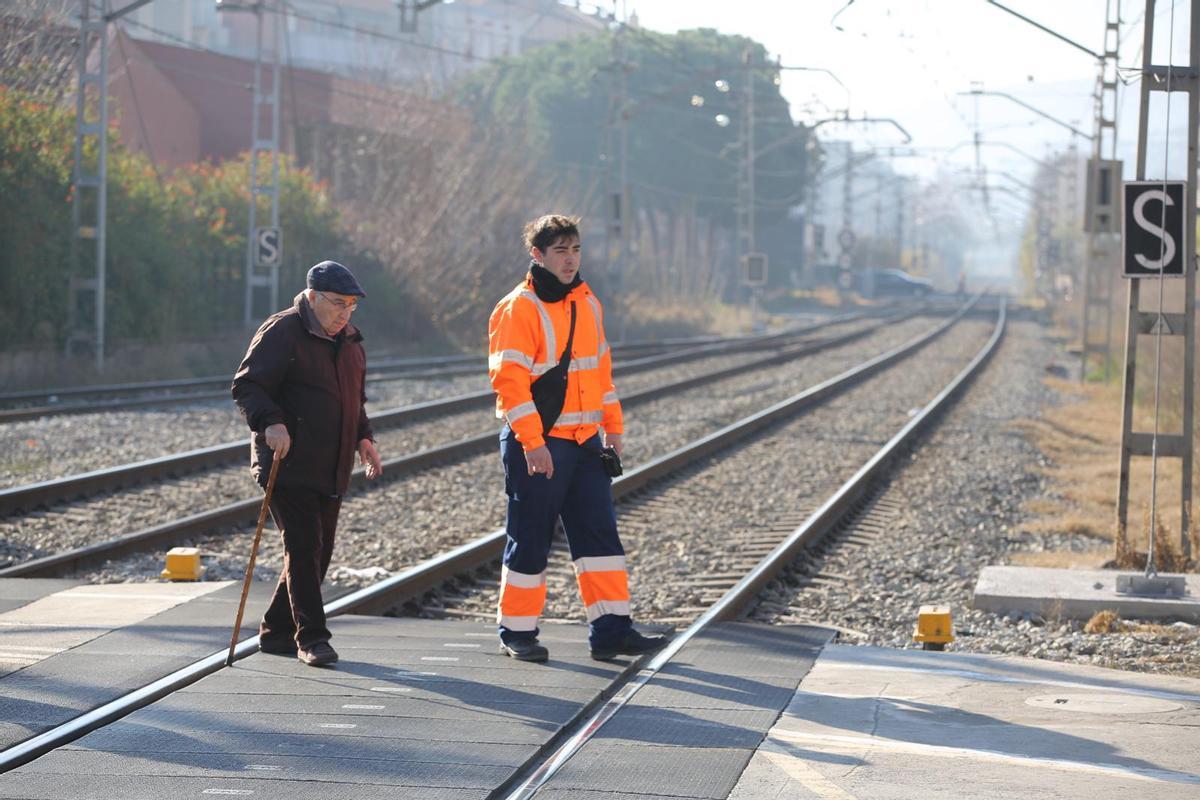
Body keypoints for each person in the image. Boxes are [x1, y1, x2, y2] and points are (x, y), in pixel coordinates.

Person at [487, 214, 666, 663]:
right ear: (538, 255)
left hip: (585, 441)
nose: (570, 260)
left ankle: (611, 631)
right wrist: (533, 443)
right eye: (560, 251)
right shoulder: (519, 307)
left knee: (599, 535)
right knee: (530, 536)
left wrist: (614, 427)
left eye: (575, 250)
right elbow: (509, 384)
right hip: (542, 441)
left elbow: (600, 374)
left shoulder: (588, 303)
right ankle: (517, 631)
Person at [232, 260, 383, 667]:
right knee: (303, 547)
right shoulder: (283, 331)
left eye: (351, 305)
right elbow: (247, 385)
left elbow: (354, 400)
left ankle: (277, 630)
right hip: (287, 461)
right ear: (313, 297)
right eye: (337, 304)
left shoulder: (351, 340)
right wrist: (271, 423)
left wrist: (364, 438)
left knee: (320, 551)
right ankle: (312, 638)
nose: (345, 314)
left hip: (331, 463)